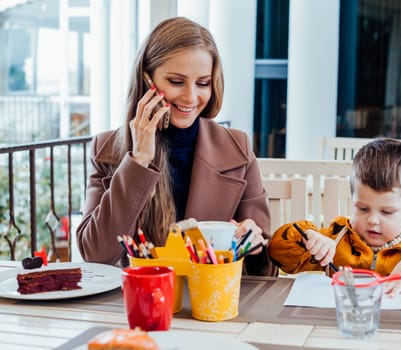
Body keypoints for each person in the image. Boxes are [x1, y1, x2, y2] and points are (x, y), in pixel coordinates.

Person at [76, 17, 276, 276]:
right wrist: (138, 161)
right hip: (140, 305)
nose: (191, 97)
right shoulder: (106, 149)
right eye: (176, 82)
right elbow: (96, 256)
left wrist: (254, 244)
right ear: (147, 80)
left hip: (212, 305)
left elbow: (266, 274)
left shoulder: (236, 148)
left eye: (202, 83)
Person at [268, 138, 401, 289]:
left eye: (386, 212)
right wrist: (309, 237)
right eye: (362, 208)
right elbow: (279, 252)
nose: (372, 220)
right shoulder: (339, 237)